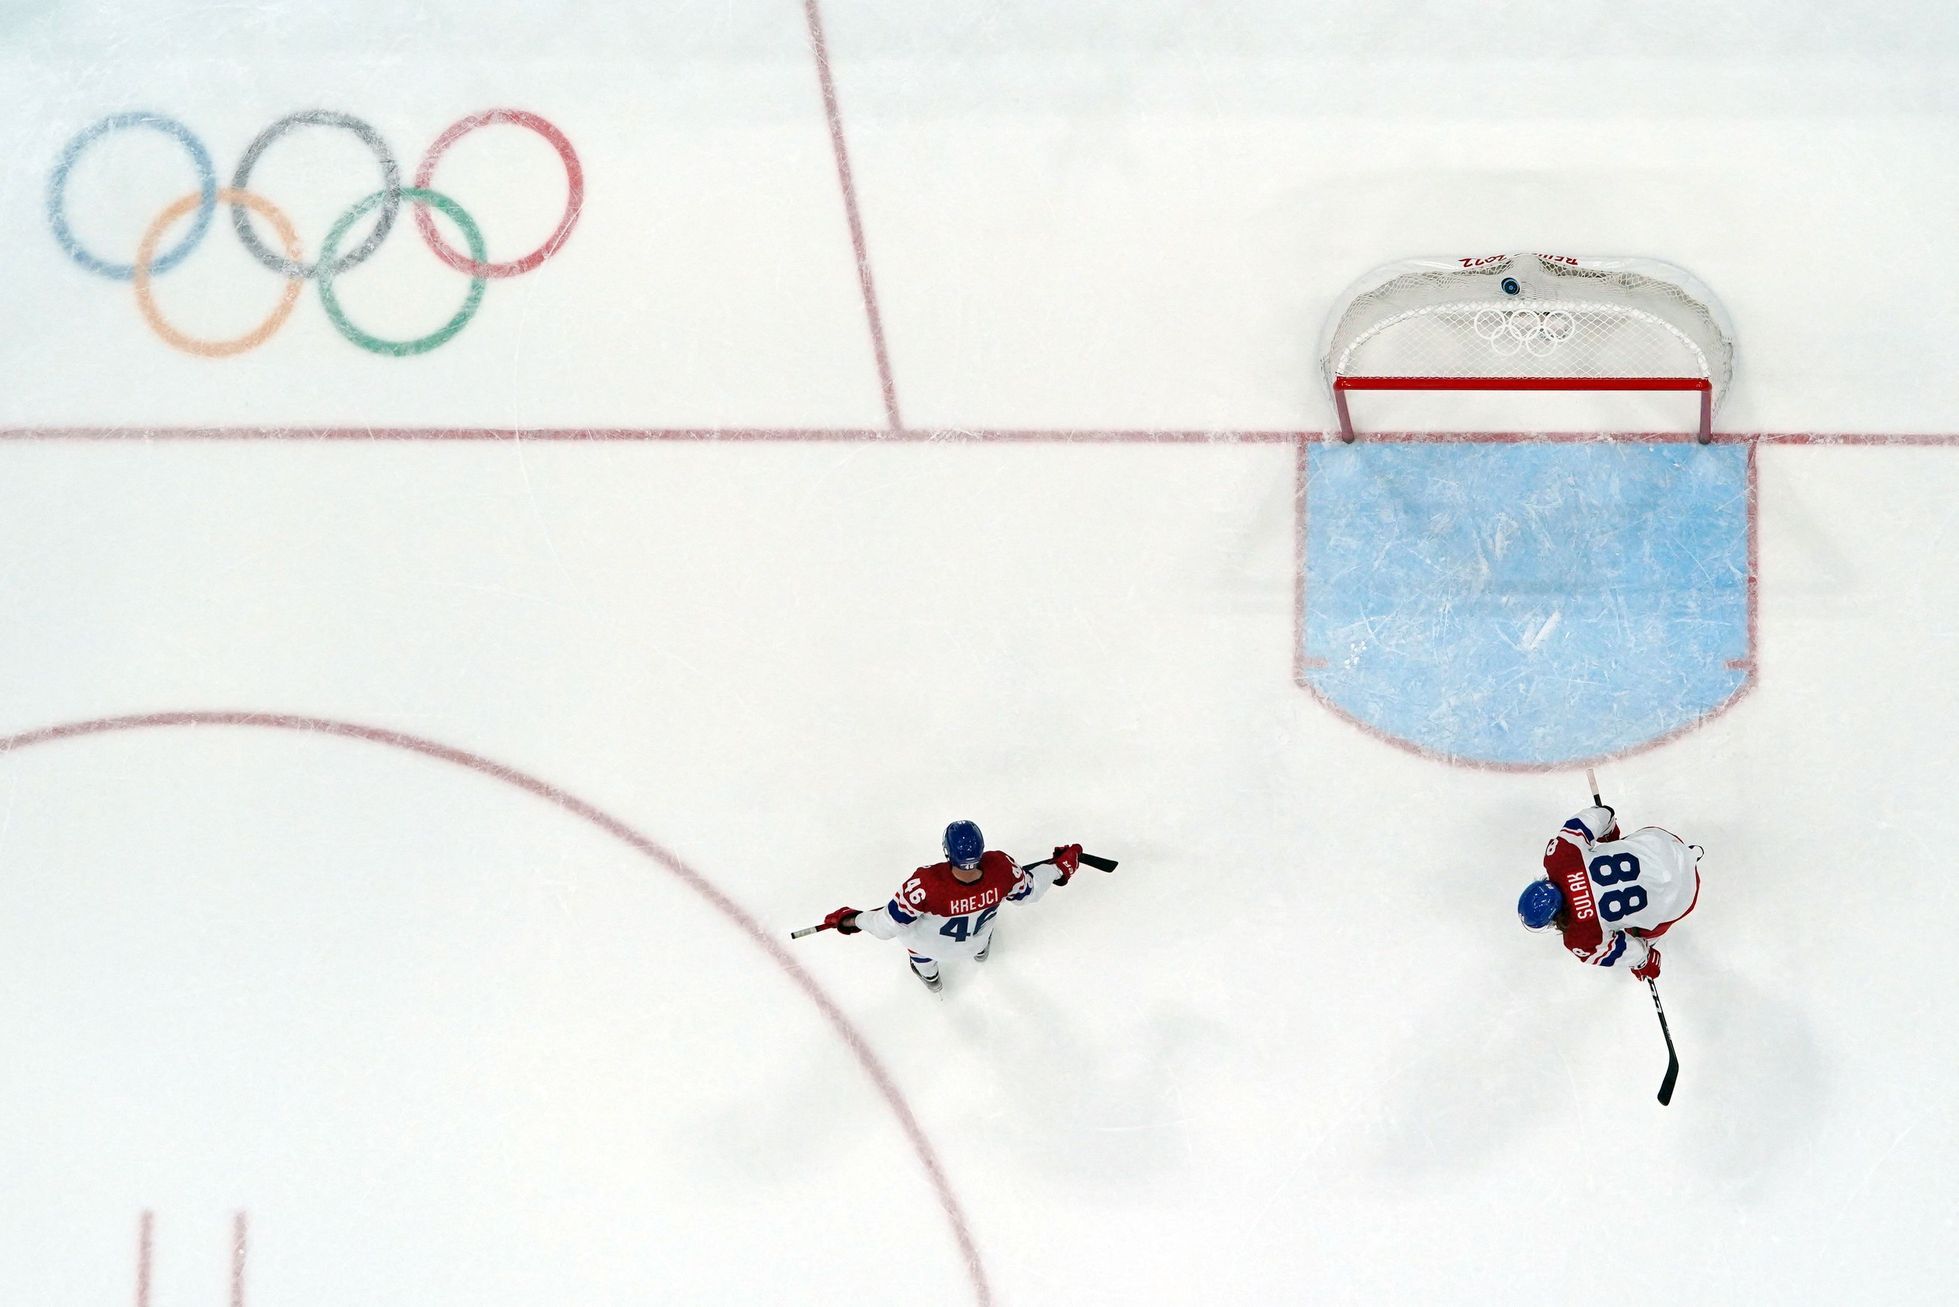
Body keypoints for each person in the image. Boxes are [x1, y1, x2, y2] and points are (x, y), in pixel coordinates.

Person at [820, 820, 1082, 991]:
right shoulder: (1001, 869)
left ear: (947, 852)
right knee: (982, 931)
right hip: (975, 940)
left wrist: (852, 919)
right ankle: (980, 954)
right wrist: (1059, 868)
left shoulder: (926, 884)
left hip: (928, 947)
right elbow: (1029, 892)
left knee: (918, 949)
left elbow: (884, 927)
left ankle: (932, 980)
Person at [1517, 804, 1702, 982]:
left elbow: (1631, 952)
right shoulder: (1560, 857)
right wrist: (1609, 830)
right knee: (1629, 846)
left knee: (1639, 934)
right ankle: (1689, 855)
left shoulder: (1580, 938)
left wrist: (1643, 961)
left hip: (1681, 893)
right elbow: (1598, 815)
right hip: (1665, 845)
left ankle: (1647, 938)